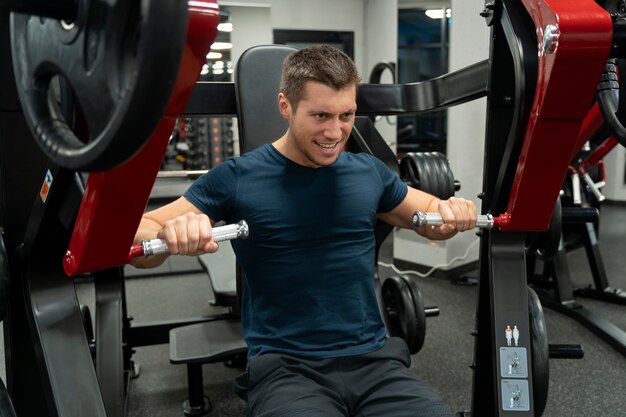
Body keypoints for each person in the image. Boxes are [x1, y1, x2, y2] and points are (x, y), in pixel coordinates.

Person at [133, 45, 477, 417]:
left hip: (376, 361)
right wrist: (174, 236)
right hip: (286, 369)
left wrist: (452, 213)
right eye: (320, 115)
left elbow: (430, 218)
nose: (335, 132)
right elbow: (138, 236)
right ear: (285, 106)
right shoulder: (238, 177)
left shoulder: (369, 172)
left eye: (346, 115)